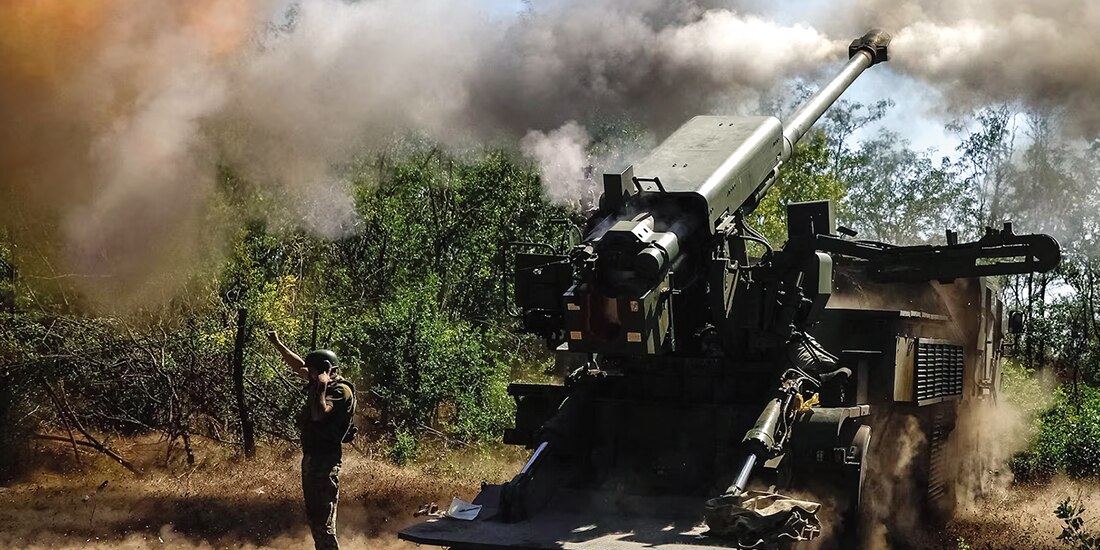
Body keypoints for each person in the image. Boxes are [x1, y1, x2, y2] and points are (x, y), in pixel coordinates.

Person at [268, 331, 356, 550]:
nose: (309, 375)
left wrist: (321, 387)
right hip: (313, 460)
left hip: (325, 462)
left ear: (325, 370)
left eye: (313, 372)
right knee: (316, 518)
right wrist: (278, 344)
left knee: (323, 521)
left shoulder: (340, 391)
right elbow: (299, 366)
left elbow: (318, 414)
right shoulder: (320, 380)